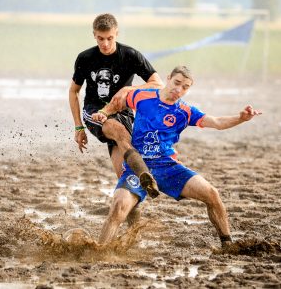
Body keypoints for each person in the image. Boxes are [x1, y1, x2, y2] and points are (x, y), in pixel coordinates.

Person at [92, 65, 262, 247]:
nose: (178, 89)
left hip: (168, 167)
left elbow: (217, 122)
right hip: (138, 167)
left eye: (185, 87)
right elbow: (119, 101)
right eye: (177, 83)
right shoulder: (143, 97)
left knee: (212, 194)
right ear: (169, 78)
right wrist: (104, 113)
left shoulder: (185, 111)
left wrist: (241, 118)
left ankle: (227, 244)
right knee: (119, 207)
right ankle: (99, 251)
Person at [68, 13, 164, 200]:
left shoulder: (130, 55)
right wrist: (78, 126)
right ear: (94, 35)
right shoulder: (85, 58)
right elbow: (74, 91)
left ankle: (133, 220)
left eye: (109, 38)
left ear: (117, 34)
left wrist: (129, 89)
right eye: (100, 38)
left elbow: (158, 84)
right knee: (117, 130)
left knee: (124, 177)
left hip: (123, 111)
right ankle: (145, 174)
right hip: (95, 111)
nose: (105, 43)